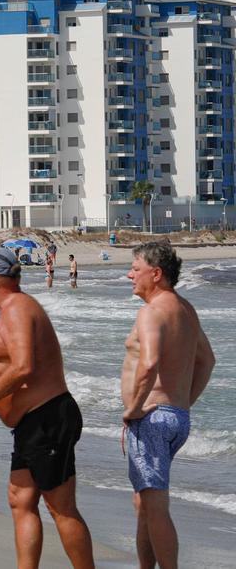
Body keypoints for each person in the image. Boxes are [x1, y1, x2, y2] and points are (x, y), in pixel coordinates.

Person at [0, 248, 94, 569]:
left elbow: (24, 367)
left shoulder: (17, 309)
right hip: (32, 424)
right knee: (20, 499)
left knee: (61, 507)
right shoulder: (12, 308)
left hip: (48, 418)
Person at [121, 242, 215, 569]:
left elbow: (149, 364)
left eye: (136, 268)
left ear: (156, 273)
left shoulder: (152, 311)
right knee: (144, 503)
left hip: (152, 421)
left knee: (156, 507)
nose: (129, 274)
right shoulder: (185, 308)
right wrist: (181, 404)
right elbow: (207, 361)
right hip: (174, 418)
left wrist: (134, 409)